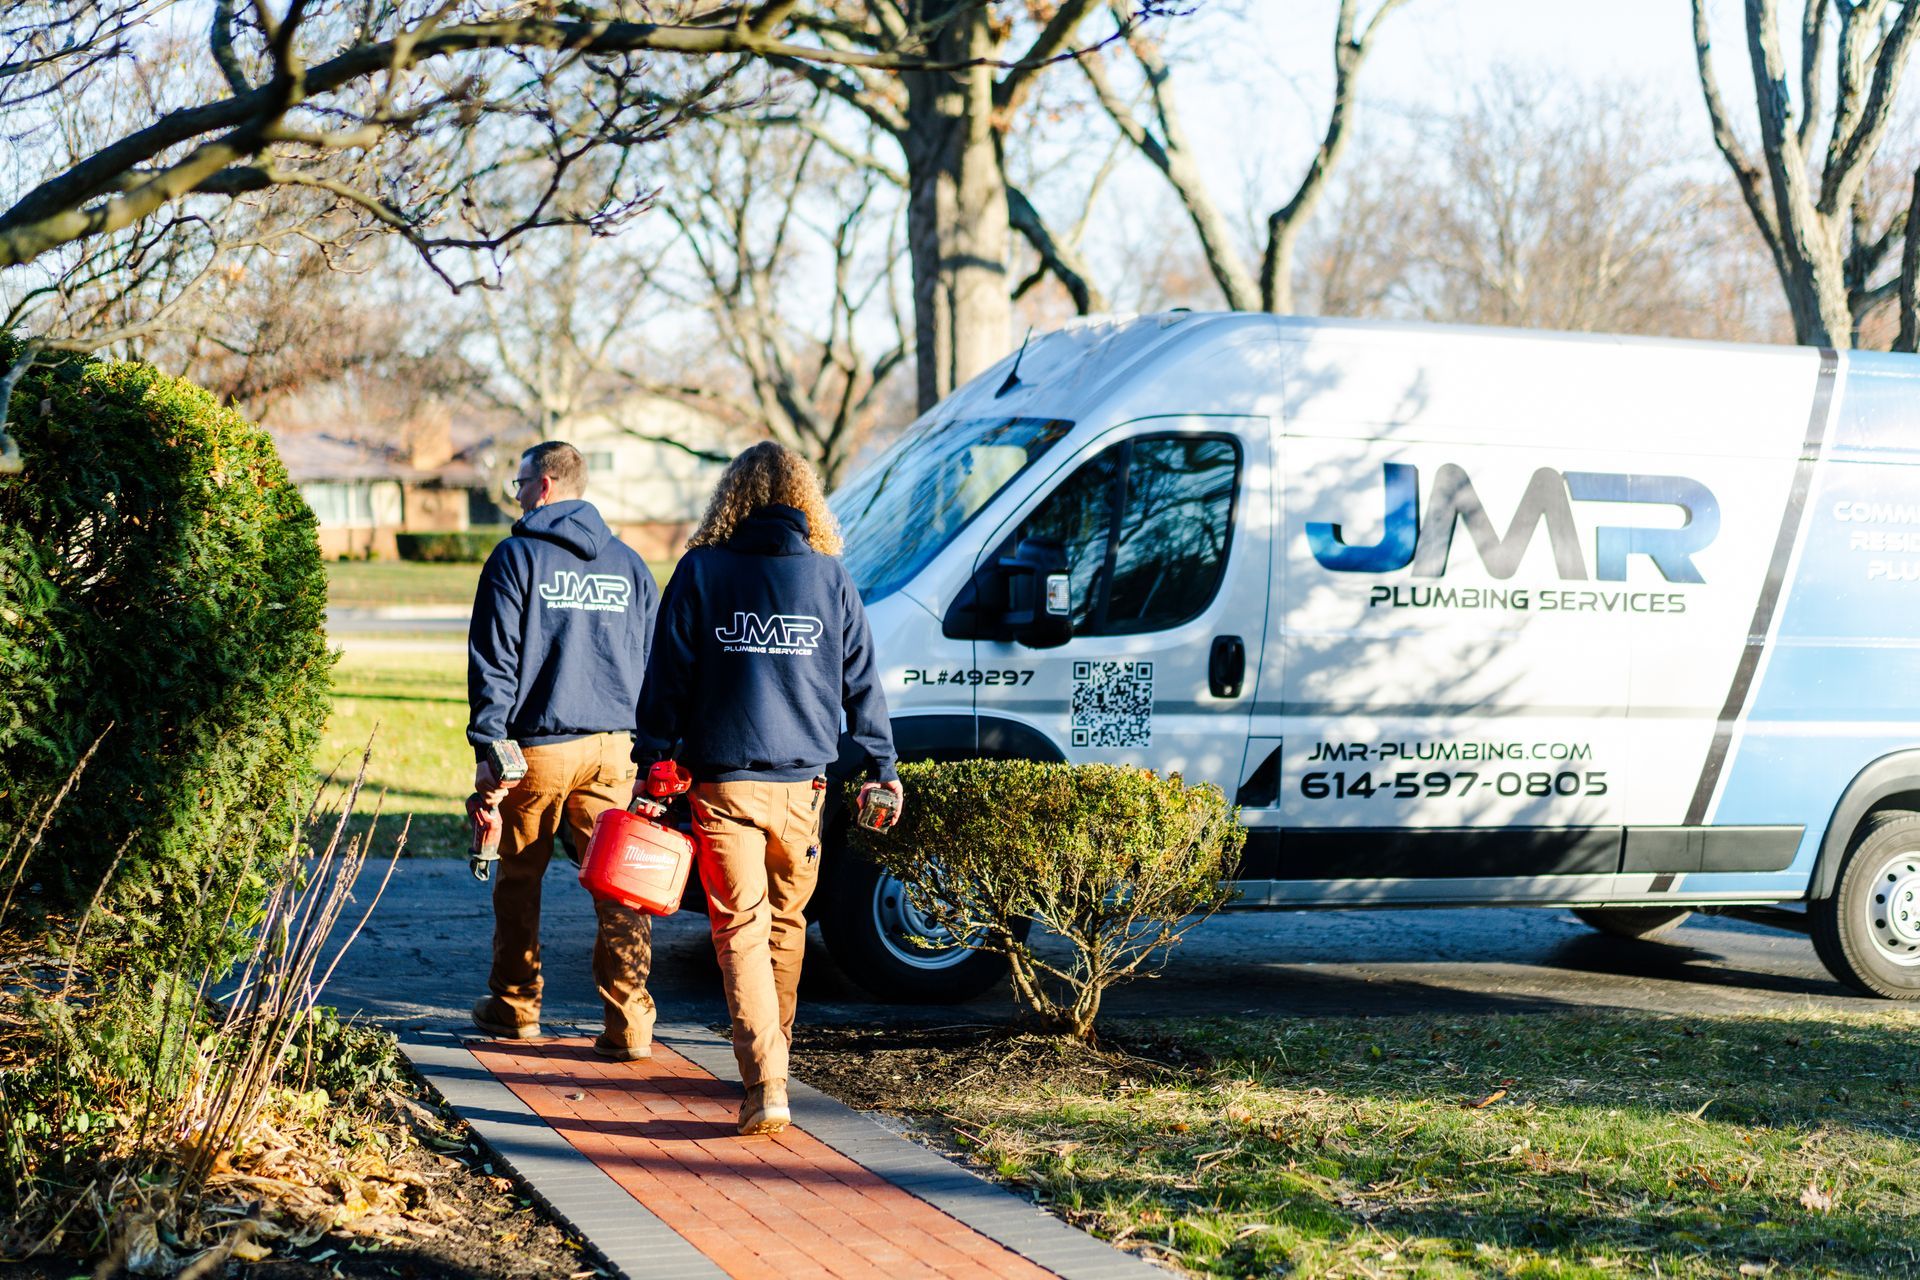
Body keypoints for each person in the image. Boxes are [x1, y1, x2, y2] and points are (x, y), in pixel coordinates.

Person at [635, 441, 901, 1135]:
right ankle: (770, 1071)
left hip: (723, 785)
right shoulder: (830, 578)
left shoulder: (700, 572)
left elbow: (667, 679)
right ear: (805, 501)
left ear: (733, 498)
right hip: (804, 788)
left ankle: (766, 1079)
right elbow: (862, 682)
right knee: (784, 926)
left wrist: (653, 762)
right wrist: (882, 767)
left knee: (742, 930)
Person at [467, 441, 661, 1060]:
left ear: (545, 485)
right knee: (618, 885)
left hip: (540, 749)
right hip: (615, 750)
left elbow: (493, 662)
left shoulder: (515, 558)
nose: (516, 494)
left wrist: (489, 745)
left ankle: (516, 1007)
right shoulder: (630, 564)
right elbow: (655, 663)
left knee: (520, 877)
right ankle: (629, 1023)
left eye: (519, 482)